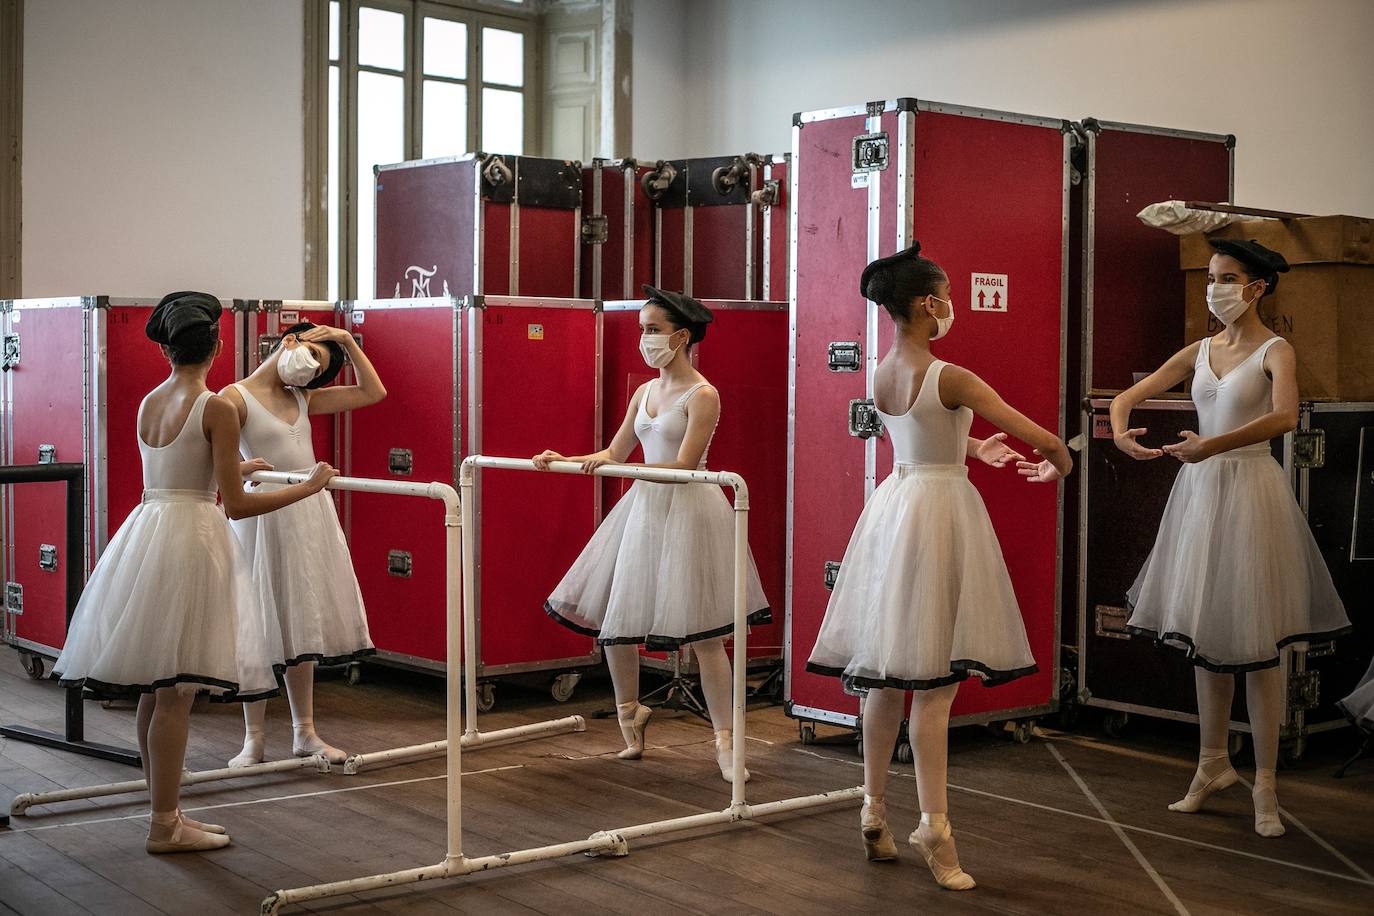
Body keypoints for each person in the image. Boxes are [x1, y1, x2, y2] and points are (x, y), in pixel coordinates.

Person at [806, 244, 1070, 890]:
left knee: (887, 676)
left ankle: (872, 808)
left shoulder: (883, 371)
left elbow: (917, 433)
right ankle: (935, 828)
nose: (952, 306)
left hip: (897, 507)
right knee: (934, 684)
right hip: (943, 515)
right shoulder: (953, 375)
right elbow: (1042, 435)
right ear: (929, 304)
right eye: (946, 296)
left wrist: (972, 444)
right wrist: (1059, 460)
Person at [53, 292, 335, 853]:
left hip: (149, 530)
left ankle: (164, 807)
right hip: (191, 541)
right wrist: (308, 486)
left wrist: (237, 464)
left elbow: (180, 470)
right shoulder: (217, 407)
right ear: (219, 346)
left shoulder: (149, 402)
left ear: (166, 351)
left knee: (156, 688)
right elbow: (235, 505)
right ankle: (165, 824)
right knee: (178, 687)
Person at [1111, 238, 1349, 838]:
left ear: (1256, 287)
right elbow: (1126, 396)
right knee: (1204, 632)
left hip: (1250, 493)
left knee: (1257, 643)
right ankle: (1211, 763)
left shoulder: (1276, 350)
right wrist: (1120, 433)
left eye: (1225, 277)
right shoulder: (1200, 350)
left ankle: (1265, 783)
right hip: (1199, 497)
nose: (1214, 287)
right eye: (1211, 277)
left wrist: (1207, 446)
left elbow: (1283, 417)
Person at [534, 286, 770, 783]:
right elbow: (614, 454)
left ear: (681, 336)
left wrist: (630, 473)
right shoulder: (644, 392)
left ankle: (728, 745)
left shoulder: (703, 395)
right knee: (616, 622)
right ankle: (629, 715)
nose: (643, 338)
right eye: (642, 329)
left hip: (690, 512)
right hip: (643, 511)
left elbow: (684, 465)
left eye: (652, 330)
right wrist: (563, 459)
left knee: (705, 638)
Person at [224, 322, 386, 767]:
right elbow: (210, 461)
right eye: (314, 358)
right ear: (290, 343)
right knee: (255, 620)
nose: (312, 372)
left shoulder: (304, 397)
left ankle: (304, 732)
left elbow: (373, 393)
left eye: (321, 370)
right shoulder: (233, 398)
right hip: (262, 516)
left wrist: (348, 343)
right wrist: (238, 471)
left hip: (307, 514)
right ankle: (252, 737)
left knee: (302, 615)